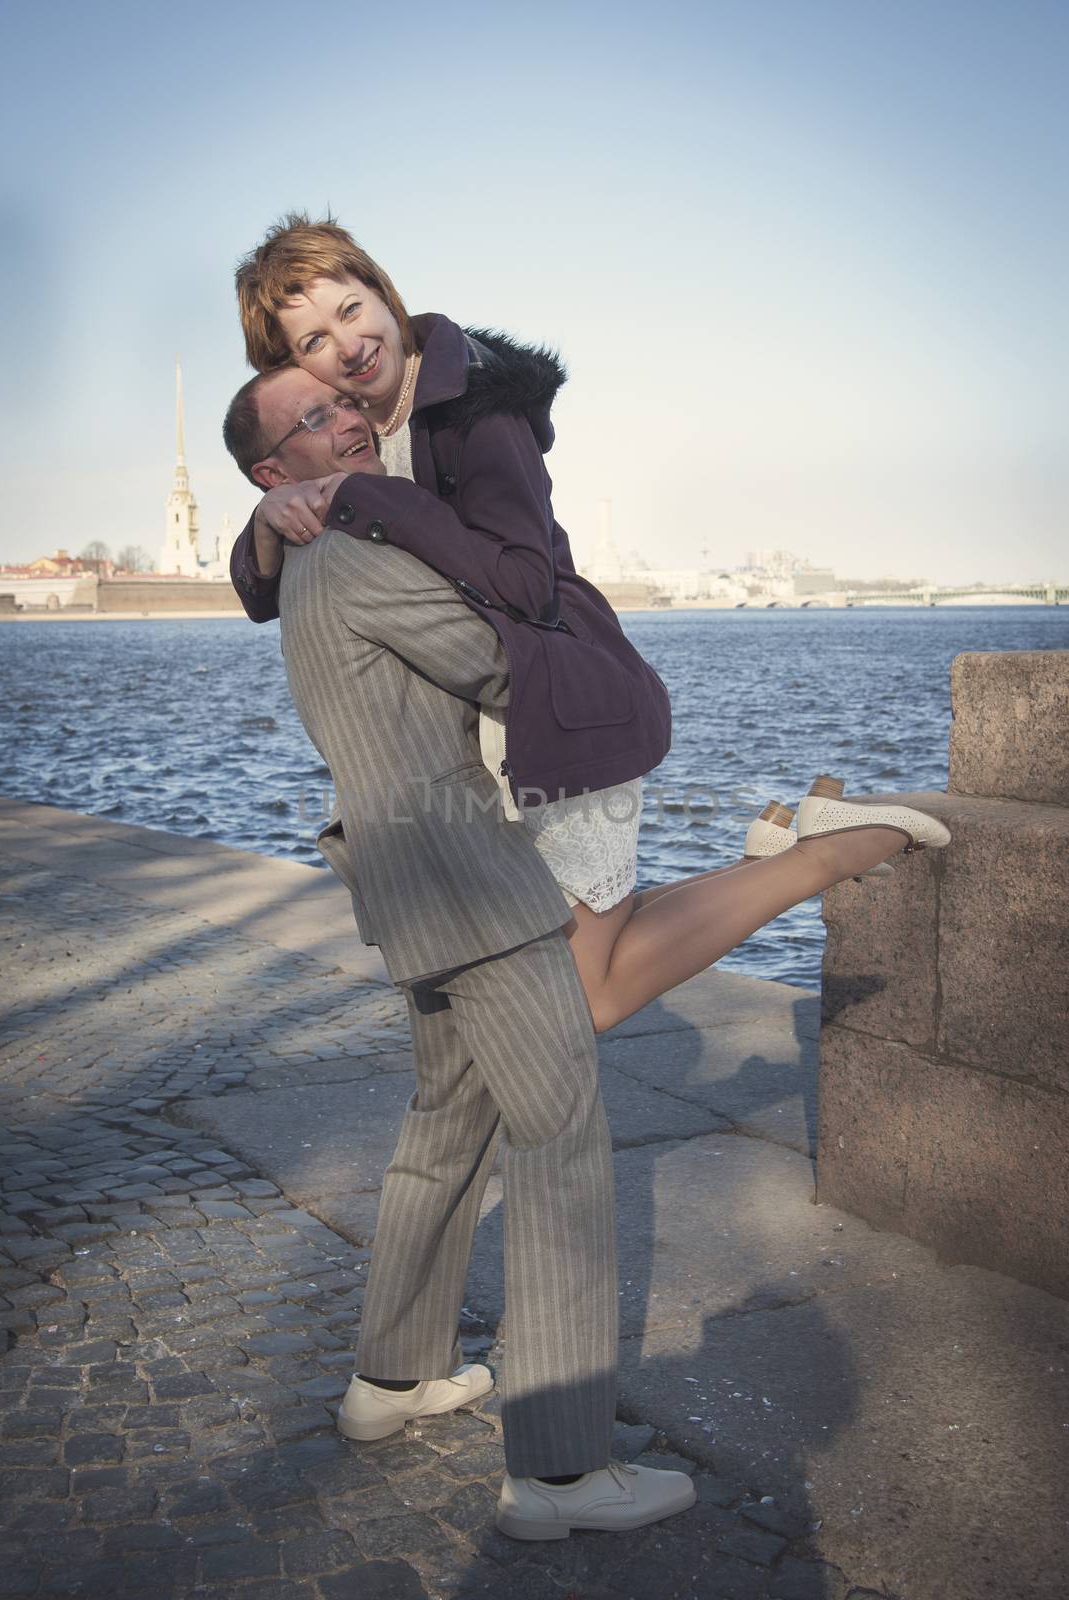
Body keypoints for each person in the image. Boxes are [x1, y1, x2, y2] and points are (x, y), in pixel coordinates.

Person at [223, 363, 950, 1544]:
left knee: (445, 1122)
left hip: (406, 882)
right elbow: (504, 659)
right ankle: (560, 1475)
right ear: (273, 472)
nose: (348, 419)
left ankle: (389, 1382)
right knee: (561, 1145)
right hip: (472, 882)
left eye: (346, 404)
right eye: (313, 420)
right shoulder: (356, 556)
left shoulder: (306, 557)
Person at [229, 215, 943, 1032]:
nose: (347, 344)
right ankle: (776, 852)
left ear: (383, 295)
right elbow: (264, 596)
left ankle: (838, 850)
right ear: (296, 365)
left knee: (584, 1000)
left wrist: (370, 500)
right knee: (572, 955)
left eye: (351, 310)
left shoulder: (474, 414)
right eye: (316, 340)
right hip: (500, 740)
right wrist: (264, 520)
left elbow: (526, 585)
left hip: (565, 708)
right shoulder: (367, 432)